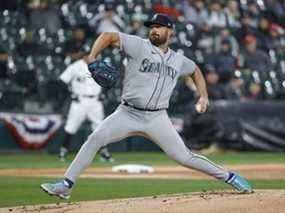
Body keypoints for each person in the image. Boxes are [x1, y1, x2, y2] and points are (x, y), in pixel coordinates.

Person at [41, 13, 253, 199]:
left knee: (184, 157)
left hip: (157, 118)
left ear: (169, 31)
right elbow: (108, 36)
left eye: (158, 27)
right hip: (127, 112)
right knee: (94, 139)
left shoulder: (178, 60)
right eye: (151, 27)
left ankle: (230, 177)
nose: (154, 31)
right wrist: (93, 57)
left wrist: (203, 96)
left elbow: (195, 70)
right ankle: (66, 185)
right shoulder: (138, 45)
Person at [58, 55, 114, 163]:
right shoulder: (75, 66)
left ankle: (104, 153)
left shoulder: (100, 65)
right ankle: (63, 152)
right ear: (84, 55)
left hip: (95, 102)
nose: (93, 56)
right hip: (79, 101)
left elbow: (108, 81)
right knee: (71, 127)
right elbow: (62, 81)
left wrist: (104, 93)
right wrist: (71, 94)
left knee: (99, 128)